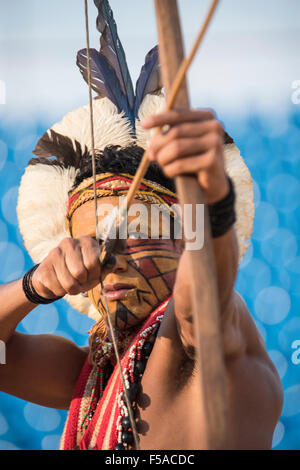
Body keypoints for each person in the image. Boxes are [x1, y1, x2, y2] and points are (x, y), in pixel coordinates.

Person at [0, 1, 283, 450]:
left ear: (184, 236)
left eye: (131, 231)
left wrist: (210, 194)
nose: (107, 258)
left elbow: (202, 286)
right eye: (88, 241)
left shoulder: (201, 337)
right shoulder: (86, 376)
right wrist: (34, 284)